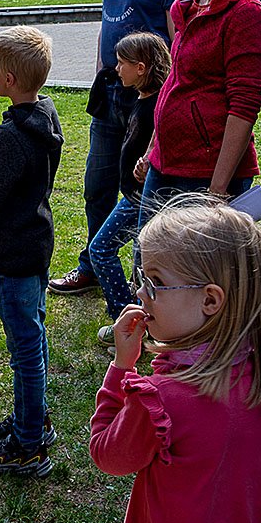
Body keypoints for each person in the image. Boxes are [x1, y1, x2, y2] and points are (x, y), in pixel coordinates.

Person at [90, 200, 261, 523]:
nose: (140, 293)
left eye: (155, 282)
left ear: (210, 300)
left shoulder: (163, 400)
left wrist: (121, 367)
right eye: (141, 278)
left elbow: (107, 454)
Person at [48, 0, 193, 297]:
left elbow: (178, 37)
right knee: (97, 183)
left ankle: (141, 279)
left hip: (145, 97)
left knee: (139, 186)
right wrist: (101, 69)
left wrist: (163, 93)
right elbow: (106, 23)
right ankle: (95, 264)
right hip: (111, 89)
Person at [138, 0, 261, 235]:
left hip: (205, 173)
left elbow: (244, 106)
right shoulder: (189, 4)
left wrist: (217, 189)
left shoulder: (246, 15)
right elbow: (176, 83)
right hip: (167, 163)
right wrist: (153, 149)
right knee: (148, 255)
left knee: (192, 265)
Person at [0, 26, 64, 476]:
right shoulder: (46, 115)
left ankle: (28, 446)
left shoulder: (11, 137)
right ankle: (32, 418)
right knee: (33, 337)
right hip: (35, 245)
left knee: (24, 348)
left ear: (8, 79)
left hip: (12, 254)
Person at [90, 32, 168, 347]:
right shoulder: (139, 97)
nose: (116, 68)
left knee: (106, 252)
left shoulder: (158, 104)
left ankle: (129, 321)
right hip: (133, 195)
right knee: (122, 258)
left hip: (142, 199)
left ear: (141, 68)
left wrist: (148, 159)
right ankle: (130, 317)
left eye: (122, 63)